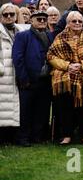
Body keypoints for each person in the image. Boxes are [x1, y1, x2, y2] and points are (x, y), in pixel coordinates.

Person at [47, 11, 83, 145]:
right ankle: (67, 136)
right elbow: (51, 56)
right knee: (65, 108)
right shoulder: (60, 37)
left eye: (79, 21)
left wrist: (80, 66)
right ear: (68, 23)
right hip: (64, 77)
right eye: (74, 21)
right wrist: (67, 66)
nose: (77, 23)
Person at [12, 10, 53, 146]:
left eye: (44, 19)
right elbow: (18, 59)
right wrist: (24, 79)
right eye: (39, 19)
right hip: (28, 81)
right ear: (31, 20)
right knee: (25, 111)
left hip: (45, 80)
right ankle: (23, 138)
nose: (42, 21)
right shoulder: (22, 36)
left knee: (41, 111)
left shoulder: (50, 35)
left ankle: (37, 137)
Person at [0, 3, 24, 143]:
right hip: (4, 75)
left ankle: (11, 136)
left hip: (17, 73)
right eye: (5, 14)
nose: (9, 17)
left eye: (12, 14)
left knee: (13, 106)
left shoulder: (21, 31)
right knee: (3, 105)